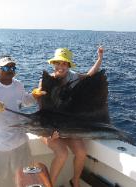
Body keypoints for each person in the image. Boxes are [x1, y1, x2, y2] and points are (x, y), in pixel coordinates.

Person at [0, 55, 45, 187]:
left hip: (19, 142)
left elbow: (25, 101)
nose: (10, 70)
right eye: (6, 67)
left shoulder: (18, 85)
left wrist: (33, 95)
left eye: (12, 67)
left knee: (27, 178)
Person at [38, 47, 104, 187]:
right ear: (53, 63)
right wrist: (49, 132)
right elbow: (41, 112)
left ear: (68, 65)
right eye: (58, 63)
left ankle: (75, 182)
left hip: (66, 127)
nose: (61, 67)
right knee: (62, 155)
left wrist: (99, 59)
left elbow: (89, 76)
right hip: (48, 128)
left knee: (81, 152)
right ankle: (50, 185)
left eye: (64, 64)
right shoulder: (45, 82)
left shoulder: (73, 77)